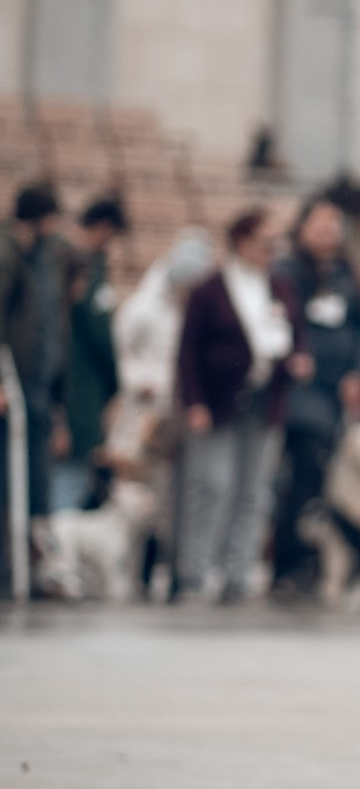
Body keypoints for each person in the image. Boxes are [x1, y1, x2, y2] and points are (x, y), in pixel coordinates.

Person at [174, 208, 295, 603]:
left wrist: (294, 359)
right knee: (211, 485)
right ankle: (194, 572)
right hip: (218, 398)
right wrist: (193, 401)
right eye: (264, 243)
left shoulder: (278, 286)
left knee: (253, 490)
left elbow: (294, 332)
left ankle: (237, 575)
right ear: (242, 242)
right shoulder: (210, 289)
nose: (270, 252)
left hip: (264, 398)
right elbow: (188, 351)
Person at [267, 198, 360, 598]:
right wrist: (293, 355)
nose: (329, 232)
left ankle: (313, 563)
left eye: (335, 224)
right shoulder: (288, 271)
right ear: (302, 227)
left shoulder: (347, 275)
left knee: (323, 481)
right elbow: (279, 321)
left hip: (335, 393)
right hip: (301, 393)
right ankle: (288, 562)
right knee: (302, 476)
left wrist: (358, 373)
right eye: (321, 223)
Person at [111, 228, 213, 596]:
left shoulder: (196, 308)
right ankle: (135, 572)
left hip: (179, 411)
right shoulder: (144, 307)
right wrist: (140, 379)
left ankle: (170, 571)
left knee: (175, 497)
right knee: (143, 496)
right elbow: (120, 350)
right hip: (145, 411)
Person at [0, 182, 75, 544]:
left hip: (40, 383)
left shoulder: (47, 257)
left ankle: (32, 561)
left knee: (35, 480)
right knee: (8, 476)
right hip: (15, 383)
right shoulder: (7, 254)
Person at [61, 197, 128, 512]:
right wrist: (115, 381)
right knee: (69, 474)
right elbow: (99, 331)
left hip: (70, 384)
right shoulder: (84, 265)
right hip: (77, 386)